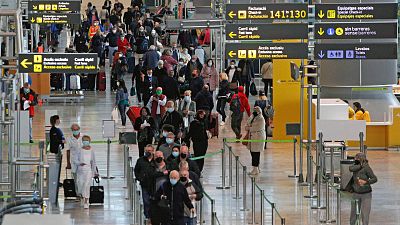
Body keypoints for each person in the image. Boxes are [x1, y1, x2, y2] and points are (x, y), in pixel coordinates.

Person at [349, 153, 377, 225]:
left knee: (365, 215)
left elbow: (374, 179)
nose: (355, 160)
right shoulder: (355, 166)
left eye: (357, 158)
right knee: (353, 214)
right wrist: (361, 165)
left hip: (366, 194)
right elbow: (351, 168)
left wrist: (366, 182)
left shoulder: (367, 168)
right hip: (356, 193)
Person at [134, 145, 156, 221]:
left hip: (154, 185)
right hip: (145, 184)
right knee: (146, 201)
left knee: (153, 201)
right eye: (146, 151)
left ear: (153, 151)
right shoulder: (140, 160)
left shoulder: (156, 161)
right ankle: (147, 216)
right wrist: (139, 178)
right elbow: (136, 170)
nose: (148, 152)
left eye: (149, 151)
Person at [76, 135, 98, 209]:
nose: (85, 142)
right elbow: (75, 160)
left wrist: (95, 171)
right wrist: (79, 163)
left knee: (86, 185)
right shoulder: (79, 150)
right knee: (81, 184)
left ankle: (86, 201)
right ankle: (83, 196)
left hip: (88, 170)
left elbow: (94, 161)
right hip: (81, 170)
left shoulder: (92, 150)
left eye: (87, 140)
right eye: (84, 140)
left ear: (89, 141)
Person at [245, 106, 266, 176]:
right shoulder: (252, 117)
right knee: (253, 152)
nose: (255, 111)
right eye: (254, 110)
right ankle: (256, 168)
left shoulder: (261, 119)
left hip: (258, 138)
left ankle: (255, 168)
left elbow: (255, 128)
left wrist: (249, 128)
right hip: (252, 137)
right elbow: (247, 124)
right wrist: (248, 127)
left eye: (256, 110)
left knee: (256, 153)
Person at [65, 124, 83, 200]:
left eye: (76, 129)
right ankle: (78, 194)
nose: (75, 131)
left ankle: (84, 193)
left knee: (82, 178)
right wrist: (68, 163)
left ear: (79, 129)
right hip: (74, 162)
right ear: (72, 130)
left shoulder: (84, 137)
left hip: (83, 161)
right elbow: (68, 151)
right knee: (76, 179)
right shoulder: (69, 139)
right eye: (74, 130)